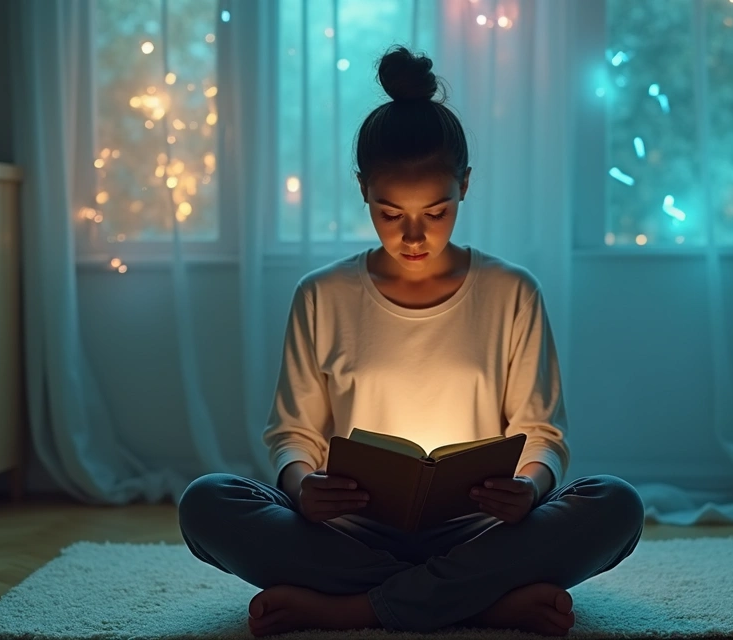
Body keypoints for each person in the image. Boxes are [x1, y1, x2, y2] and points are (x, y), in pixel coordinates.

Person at [178, 45, 644, 637]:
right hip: (350, 530)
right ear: (363, 192)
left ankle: (357, 608)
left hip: (480, 528)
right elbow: (292, 433)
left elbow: (543, 432)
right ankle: (480, 599)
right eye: (390, 213)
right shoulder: (321, 295)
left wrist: (528, 489)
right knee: (207, 502)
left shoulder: (512, 292)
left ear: (466, 186)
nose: (415, 235)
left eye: (438, 210)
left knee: (616, 505)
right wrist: (303, 487)